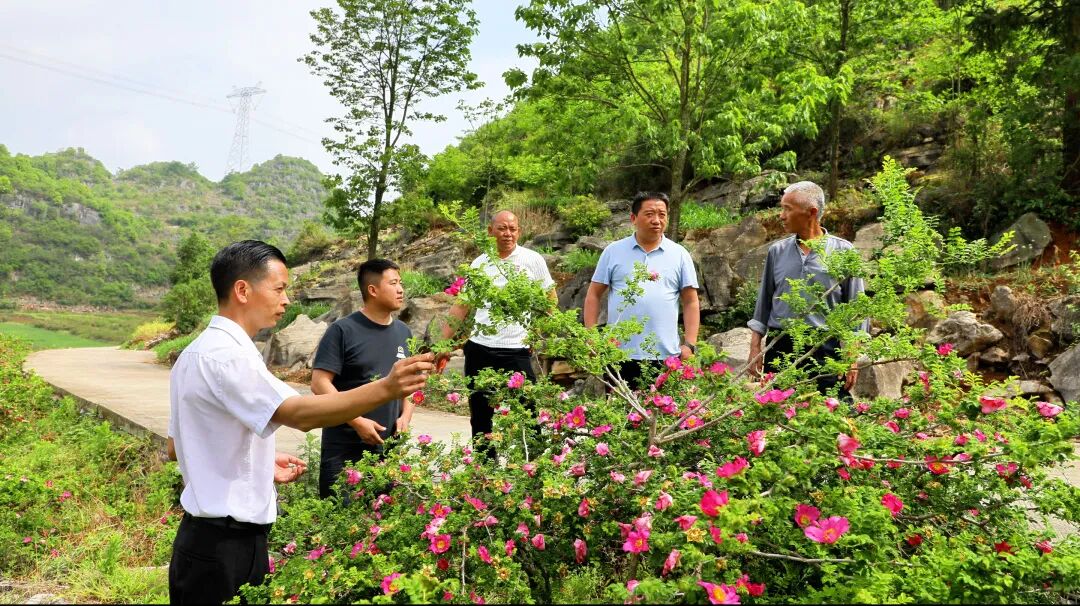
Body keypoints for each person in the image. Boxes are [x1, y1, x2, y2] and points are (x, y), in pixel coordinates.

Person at [166, 240, 432, 605]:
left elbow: (177, 443)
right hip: (224, 547)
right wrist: (386, 388)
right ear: (243, 290)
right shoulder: (228, 357)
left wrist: (256, 461)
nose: (287, 300)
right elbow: (300, 414)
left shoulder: (196, 353)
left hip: (208, 542)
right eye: (279, 288)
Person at [438, 210, 555, 452]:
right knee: (481, 419)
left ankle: (533, 475)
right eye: (502, 228)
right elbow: (461, 306)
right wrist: (442, 346)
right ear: (490, 231)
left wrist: (537, 332)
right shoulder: (479, 264)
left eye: (513, 229)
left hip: (517, 351)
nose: (508, 234)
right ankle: (484, 478)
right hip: (481, 350)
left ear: (519, 232)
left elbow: (550, 300)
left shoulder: (533, 260)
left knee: (528, 416)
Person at [746, 181, 867, 396]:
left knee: (832, 417)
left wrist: (852, 357)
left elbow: (857, 310)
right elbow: (763, 303)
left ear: (811, 213)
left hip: (825, 348)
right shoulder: (777, 252)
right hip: (781, 345)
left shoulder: (844, 252)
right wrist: (755, 348)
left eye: (787, 209)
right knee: (779, 416)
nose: (781, 216)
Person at [311, 258, 413, 499]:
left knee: (385, 525)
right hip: (345, 449)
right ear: (373, 290)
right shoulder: (343, 330)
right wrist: (357, 421)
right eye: (394, 283)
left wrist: (406, 416)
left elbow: (411, 383)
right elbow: (319, 383)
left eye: (401, 283)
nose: (401, 289)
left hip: (388, 450)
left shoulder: (404, 332)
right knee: (340, 523)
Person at [583, 191, 700, 389]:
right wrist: (592, 338)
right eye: (649, 214)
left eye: (662, 214)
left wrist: (689, 344)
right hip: (619, 354)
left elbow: (690, 301)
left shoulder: (679, 254)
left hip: (666, 355)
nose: (656, 220)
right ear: (633, 218)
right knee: (620, 417)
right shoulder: (613, 251)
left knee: (665, 416)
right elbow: (594, 294)